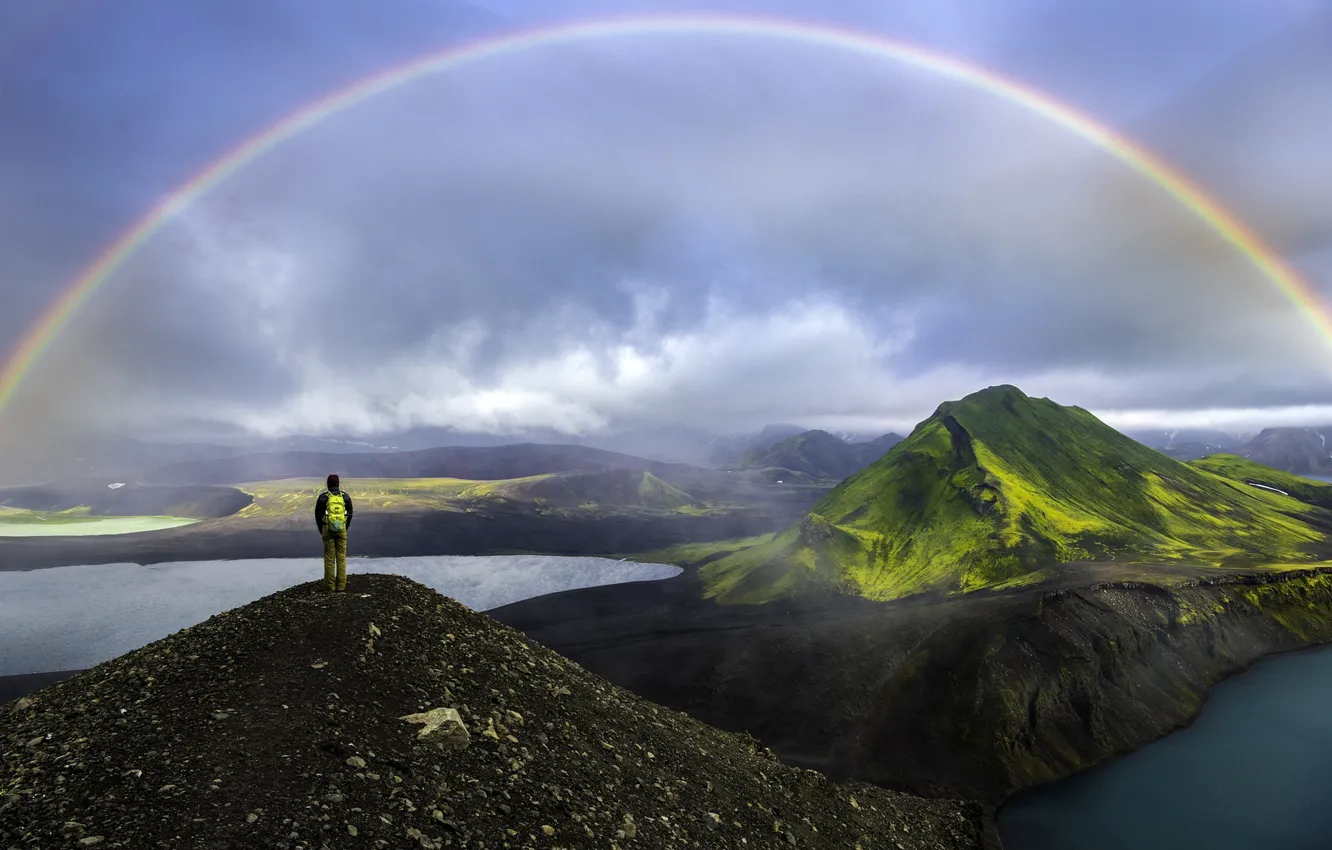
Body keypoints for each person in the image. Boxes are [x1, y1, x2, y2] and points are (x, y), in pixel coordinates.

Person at [314, 474, 354, 592]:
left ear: (328, 484)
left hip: (327, 529)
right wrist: (344, 527)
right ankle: (341, 586)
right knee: (341, 558)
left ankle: (330, 586)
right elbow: (350, 513)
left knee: (329, 558)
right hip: (341, 529)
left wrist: (322, 529)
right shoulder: (345, 497)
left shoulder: (323, 498)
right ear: (338, 483)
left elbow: (317, 515)